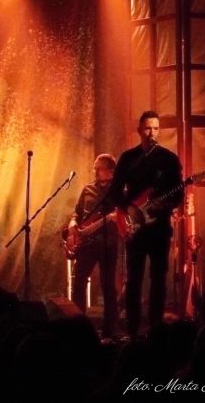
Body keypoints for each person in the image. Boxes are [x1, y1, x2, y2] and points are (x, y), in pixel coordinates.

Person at [110, 110, 183, 338]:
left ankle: (156, 330)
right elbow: (114, 192)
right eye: (148, 128)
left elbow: (178, 196)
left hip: (159, 228)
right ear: (140, 130)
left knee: (158, 279)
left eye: (156, 128)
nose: (152, 133)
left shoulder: (169, 160)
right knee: (134, 279)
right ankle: (132, 330)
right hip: (136, 228)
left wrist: (164, 205)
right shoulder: (128, 158)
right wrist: (129, 208)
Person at [62, 153, 118, 338]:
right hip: (86, 244)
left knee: (107, 286)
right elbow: (77, 213)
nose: (94, 171)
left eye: (98, 168)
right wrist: (73, 224)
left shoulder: (117, 191)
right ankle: (79, 327)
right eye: (95, 167)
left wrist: (115, 218)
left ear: (110, 171)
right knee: (78, 282)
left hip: (107, 244)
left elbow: (123, 214)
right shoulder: (87, 189)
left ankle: (109, 330)